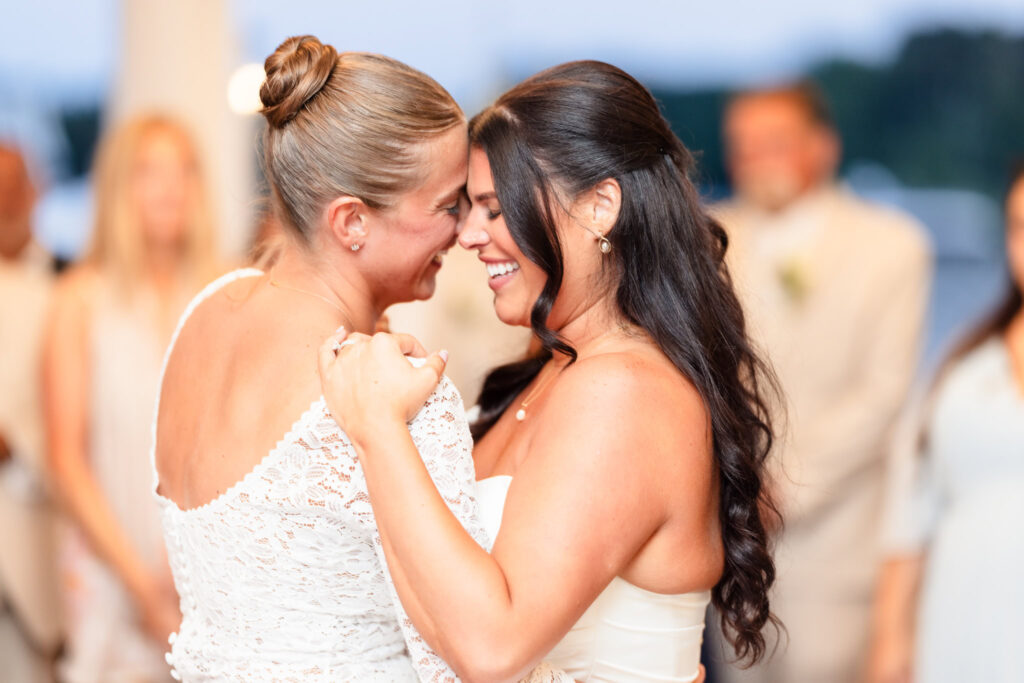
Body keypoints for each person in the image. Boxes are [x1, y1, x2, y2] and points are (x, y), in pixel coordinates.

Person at [318, 59, 777, 682]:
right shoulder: (558, 366)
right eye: (467, 208)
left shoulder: (623, 391)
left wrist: (379, 428)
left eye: (494, 209)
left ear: (599, 207)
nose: (468, 235)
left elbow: (494, 648)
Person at [151, 36, 573, 681]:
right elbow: (458, 662)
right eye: (447, 206)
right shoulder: (391, 391)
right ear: (350, 222)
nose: (465, 234)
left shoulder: (203, 314)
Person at [707, 83, 932, 683]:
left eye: (775, 142)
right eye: (744, 146)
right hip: (728, 554)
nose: (757, 159)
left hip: (837, 551)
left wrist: (779, 492)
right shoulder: (705, 241)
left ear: (823, 146)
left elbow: (883, 395)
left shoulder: (893, 245)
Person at [42, 114, 221, 682]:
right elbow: (65, 459)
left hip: (207, 565)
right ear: (120, 186)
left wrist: (186, 564)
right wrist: (140, 584)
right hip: (108, 566)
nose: (171, 187)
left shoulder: (225, 293)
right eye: (150, 171)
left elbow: (235, 438)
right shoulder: (80, 301)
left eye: (183, 170)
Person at [867, 165, 1024, 683]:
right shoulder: (964, 365)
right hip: (956, 619)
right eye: (1021, 227)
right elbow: (909, 511)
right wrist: (891, 641)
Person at [0, 142, 63, 681]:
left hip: (39, 535)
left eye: (12, 185)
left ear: (35, 190)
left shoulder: (73, 284)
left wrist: (16, 447)